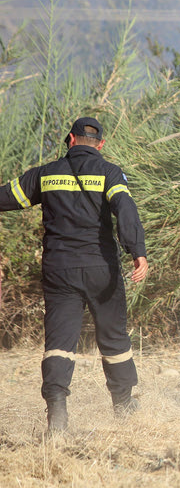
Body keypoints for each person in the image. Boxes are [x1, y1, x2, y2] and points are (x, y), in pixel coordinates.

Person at [0, 117, 148, 433]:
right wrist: (137, 252)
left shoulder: (46, 174)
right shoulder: (110, 173)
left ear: (70, 140)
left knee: (59, 341)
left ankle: (57, 413)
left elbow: (6, 198)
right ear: (101, 145)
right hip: (101, 269)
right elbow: (126, 210)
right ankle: (123, 406)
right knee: (113, 337)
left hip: (59, 270)